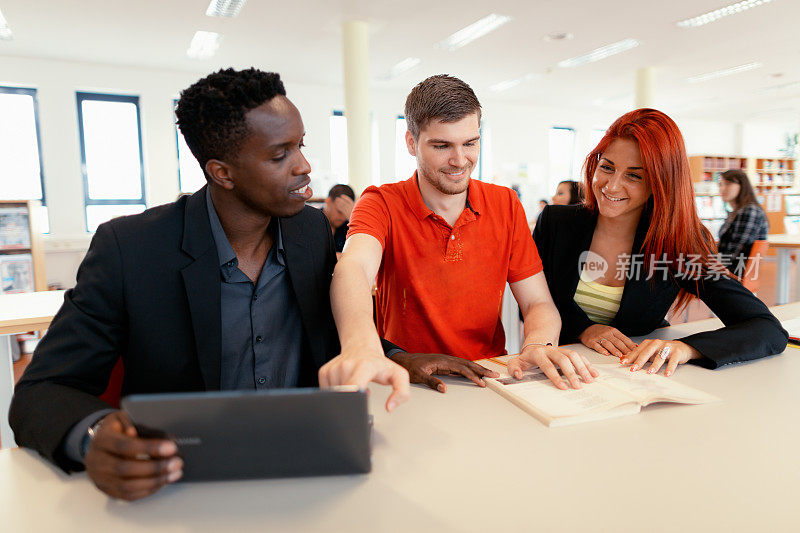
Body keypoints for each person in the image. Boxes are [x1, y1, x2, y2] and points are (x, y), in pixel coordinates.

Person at [9, 68, 408, 502]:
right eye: (279, 156)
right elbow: (41, 390)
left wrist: (403, 356)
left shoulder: (309, 230)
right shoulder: (131, 248)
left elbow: (328, 333)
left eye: (301, 145)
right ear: (222, 173)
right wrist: (95, 436)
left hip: (307, 470)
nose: (304, 166)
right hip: (183, 483)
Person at [321, 74, 598, 394]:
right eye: (441, 146)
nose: (459, 160)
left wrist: (536, 343)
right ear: (411, 143)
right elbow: (353, 267)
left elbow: (537, 302)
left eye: (470, 143)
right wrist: (360, 346)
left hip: (487, 379)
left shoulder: (505, 203)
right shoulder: (381, 202)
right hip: (409, 379)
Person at [507, 109, 787, 380]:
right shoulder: (557, 222)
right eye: (607, 167)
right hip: (561, 370)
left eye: (634, 175)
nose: (611, 186)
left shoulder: (680, 242)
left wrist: (687, 348)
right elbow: (531, 304)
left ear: (660, 183)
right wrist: (586, 329)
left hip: (635, 375)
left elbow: (766, 328)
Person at [717, 169, 768, 277]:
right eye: (720, 184)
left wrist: (707, 264)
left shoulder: (749, 211)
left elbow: (735, 250)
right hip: (728, 270)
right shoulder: (736, 212)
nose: (722, 188)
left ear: (742, 186)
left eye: (728, 184)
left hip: (733, 273)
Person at [322, 183, 356, 257]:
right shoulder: (311, 221)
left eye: (346, 213)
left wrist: (352, 216)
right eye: (339, 211)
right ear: (328, 201)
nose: (343, 217)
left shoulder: (348, 225)